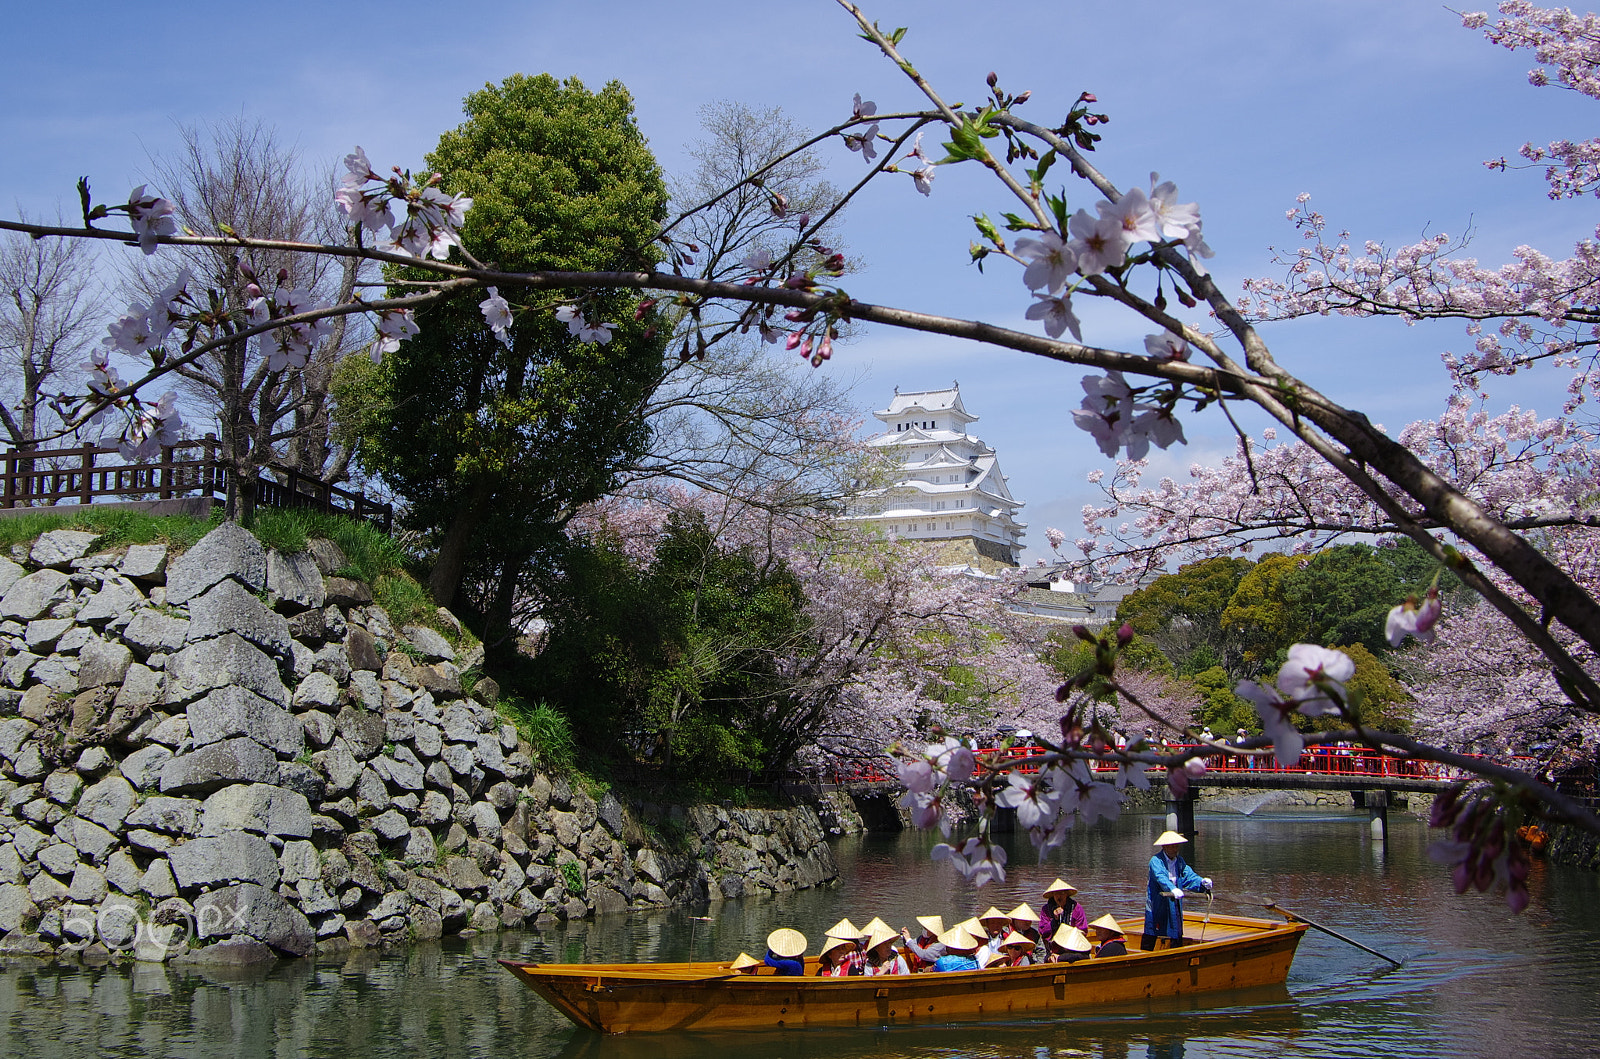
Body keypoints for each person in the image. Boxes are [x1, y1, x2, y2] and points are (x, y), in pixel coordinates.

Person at [1143, 831, 1212, 949]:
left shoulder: (1179, 861)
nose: (1175, 849)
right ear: (1164, 846)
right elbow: (1161, 877)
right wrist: (1172, 889)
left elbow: (1189, 876)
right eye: (1172, 846)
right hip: (1158, 902)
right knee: (1154, 930)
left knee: (1176, 929)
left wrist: (1202, 882)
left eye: (1176, 846)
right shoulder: (1155, 861)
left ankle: (1176, 952)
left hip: (1174, 903)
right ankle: (1145, 955)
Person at [1038, 879, 1088, 946]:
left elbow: (1082, 929)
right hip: (1052, 946)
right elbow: (1043, 931)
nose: (1059, 896)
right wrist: (1055, 920)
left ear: (1067, 894)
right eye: (1056, 894)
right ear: (1053, 895)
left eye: (1062, 893)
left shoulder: (1076, 908)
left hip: (1073, 945)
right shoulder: (1046, 909)